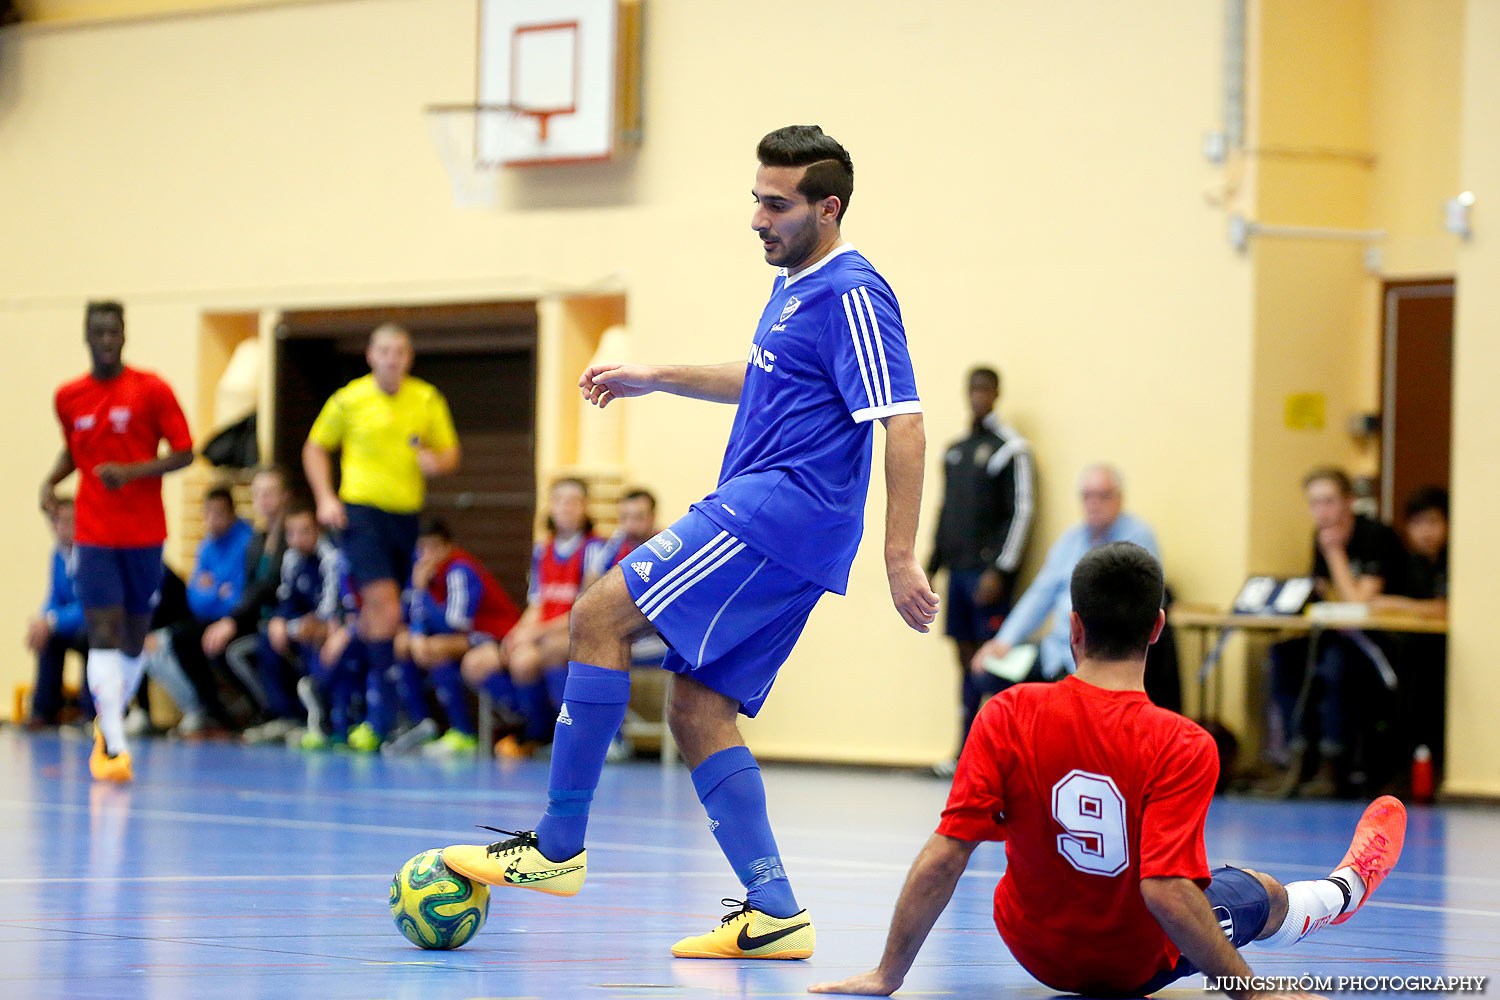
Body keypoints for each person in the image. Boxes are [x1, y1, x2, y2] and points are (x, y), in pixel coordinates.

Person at [443, 125, 937, 961]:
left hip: (777, 513)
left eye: (776, 204)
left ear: (829, 207)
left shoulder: (851, 291)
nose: (757, 218)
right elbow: (766, 380)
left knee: (599, 615)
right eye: (755, 198)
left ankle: (557, 846)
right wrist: (656, 375)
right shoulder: (795, 287)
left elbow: (906, 421)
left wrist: (898, 555)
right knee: (698, 708)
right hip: (789, 527)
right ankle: (775, 909)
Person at [809, 542, 1407, 1000]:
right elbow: (1166, 890)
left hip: (1032, 949)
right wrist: (1252, 988)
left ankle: (1336, 889)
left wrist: (888, 974)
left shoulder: (1006, 712)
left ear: (1074, 627)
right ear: (1157, 629)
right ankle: (1342, 890)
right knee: (1262, 891)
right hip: (1129, 968)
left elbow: (947, 853)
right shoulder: (1184, 743)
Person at [41, 301, 194, 781]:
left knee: (132, 636)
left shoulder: (152, 389)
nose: (106, 339)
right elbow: (78, 448)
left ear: (124, 334)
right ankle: (113, 742)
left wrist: (132, 473)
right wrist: (50, 480)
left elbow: (186, 452)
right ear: (87, 335)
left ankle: (112, 726)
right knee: (102, 631)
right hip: (94, 532)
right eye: (98, 331)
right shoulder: (69, 396)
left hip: (144, 531)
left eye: (114, 331)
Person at [303, 323, 460, 752]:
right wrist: (325, 498)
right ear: (371, 355)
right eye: (384, 351)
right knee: (386, 606)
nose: (392, 358)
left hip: (404, 515)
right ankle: (388, 711)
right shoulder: (349, 398)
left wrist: (434, 462)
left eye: (400, 352)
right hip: (360, 512)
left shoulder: (426, 398)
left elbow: (448, 453)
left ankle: (331, 691)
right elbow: (315, 447)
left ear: (408, 358)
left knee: (380, 618)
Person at [1268, 468, 1407, 798]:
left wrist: (1335, 554)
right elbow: (1327, 593)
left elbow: (1358, 602)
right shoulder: (1318, 538)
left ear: (1349, 502)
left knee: (1335, 662)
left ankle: (1334, 764)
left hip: (1384, 639)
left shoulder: (1376, 536)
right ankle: (1299, 756)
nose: (1322, 512)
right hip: (1338, 632)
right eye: (1314, 503)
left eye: (1329, 501)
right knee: (1284, 655)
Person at [926, 366, 1034, 776]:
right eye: (972, 389)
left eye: (986, 389)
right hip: (958, 573)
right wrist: (932, 565)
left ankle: (1000, 755)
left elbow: (1022, 512)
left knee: (994, 662)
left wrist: (1001, 570)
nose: (978, 396)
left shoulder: (1011, 449)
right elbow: (946, 511)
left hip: (987, 578)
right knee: (964, 660)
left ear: (997, 393)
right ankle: (964, 751)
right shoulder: (955, 451)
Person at [460, 477, 609, 759]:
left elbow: (584, 609)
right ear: (551, 506)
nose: (566, 507)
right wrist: (517, 634)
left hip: (571, 631)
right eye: (560, 500)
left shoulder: (595, 549)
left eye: (574, 501)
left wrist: (535, 633)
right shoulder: (543, 550)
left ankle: (540, 732)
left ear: (585, 507)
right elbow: (537, 603)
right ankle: (533, 718)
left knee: (525, 660)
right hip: (542, 631)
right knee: (476, 663)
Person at [972, 463, 1158, 684]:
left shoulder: (1137, 537)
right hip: (1057, 650)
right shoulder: (1071, 539)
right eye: (1087, 496)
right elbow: (1040, 594)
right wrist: (1004, 640)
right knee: (987, 672)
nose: (1094, 504)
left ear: (1119, 498)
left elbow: (1136, 606)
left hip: (1102, 656)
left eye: (1102, 496)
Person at [394, 518, 521, 758]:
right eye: (422, 548)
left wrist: (421, 594)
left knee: (434, 648)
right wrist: (417, 633)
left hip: (495, 634)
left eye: (434, 548)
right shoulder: (419, 568)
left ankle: (462, 731)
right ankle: (422, 723)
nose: (427, 555)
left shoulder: (460, 570)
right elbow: (407, 614)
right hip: (461, 636)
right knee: (403, 643)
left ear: (447, 547)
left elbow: (453, 624)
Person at [241, 503, 340, 744]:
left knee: (313, 643)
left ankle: (326, 718)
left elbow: (333, 601)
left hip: (330, 625)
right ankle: (286, 716)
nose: (297, 538)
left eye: (304, 531)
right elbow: (287, 598)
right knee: (267, 638)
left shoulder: (331, 557)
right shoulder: (292, 558)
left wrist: (317, 623)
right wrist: (278, 619)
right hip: (301, 624)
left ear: (317, 530)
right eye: (291, 532)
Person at [1370, 485, 1449, 780]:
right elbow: (1377, 604)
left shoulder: (1454, 563)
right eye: (1417, 523)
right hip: (1408, 651)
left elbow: (1446, 608)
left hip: (1443, 655)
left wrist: (1402, 605)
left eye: (1433, 522)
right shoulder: (1403, 562)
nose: (1425, 532)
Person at [202, 465, 293, 710]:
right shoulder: (258, 540)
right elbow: (250, 586)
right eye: (258, 493)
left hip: (285, 616)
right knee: (212, 642)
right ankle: (256, 710)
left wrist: (233, 620)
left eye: (269, 492)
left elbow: (269, 584)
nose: (262, 499)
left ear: (285, 495)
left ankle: (280, 711)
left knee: (240, 649)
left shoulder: (293, 536)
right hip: (257, 617)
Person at [172, 485, 256, 729]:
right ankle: (213, 710)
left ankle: (253, 709)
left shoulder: (247, 541)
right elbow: (194, 599)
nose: (212, 519)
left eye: (218, 513)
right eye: (207, 513)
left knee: (217, 645)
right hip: (212, 617)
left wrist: (212, 588)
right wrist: (218, 590)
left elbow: (238, 597)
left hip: (241, 618)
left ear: (232, 513)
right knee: (181, 637)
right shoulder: (206, 546)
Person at [25, 499, 92, 727]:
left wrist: (52, 621)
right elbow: (54, 598)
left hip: (96, 624)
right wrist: (43, 621)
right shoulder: (58, 555)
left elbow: (90, 605)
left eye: (71, 520)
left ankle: (90, 714)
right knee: (47, 639)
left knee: (90, 638)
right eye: (60, 521)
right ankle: (43, 713)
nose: (65, 527)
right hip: (72, 624)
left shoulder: (92, 554)